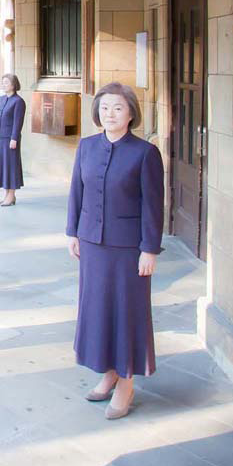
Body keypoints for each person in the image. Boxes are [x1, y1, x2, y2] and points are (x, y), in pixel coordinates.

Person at [66, 82, 163, 421]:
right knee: (97, 309)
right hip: (92, 244)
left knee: (126, 312)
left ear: (131, 113)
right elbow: (76, 192)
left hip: (127, 249)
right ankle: (108, 371)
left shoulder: (145, 153)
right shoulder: (87, 147)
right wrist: (72, 233)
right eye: (105, 107)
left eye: (118, 108)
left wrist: (149, 249)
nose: (110, 114)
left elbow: (153, 206)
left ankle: (126, 382)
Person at [0, 73, 26, 206]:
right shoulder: (1, 99)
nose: (3, 84)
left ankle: (11, 196)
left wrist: (14, 138)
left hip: (10, 139)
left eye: (6, 82)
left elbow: (18, 122)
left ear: (13, 84)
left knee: (11, 167)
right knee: (3, 167)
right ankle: (7, 195)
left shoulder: (18, 101)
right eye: (3, 82)